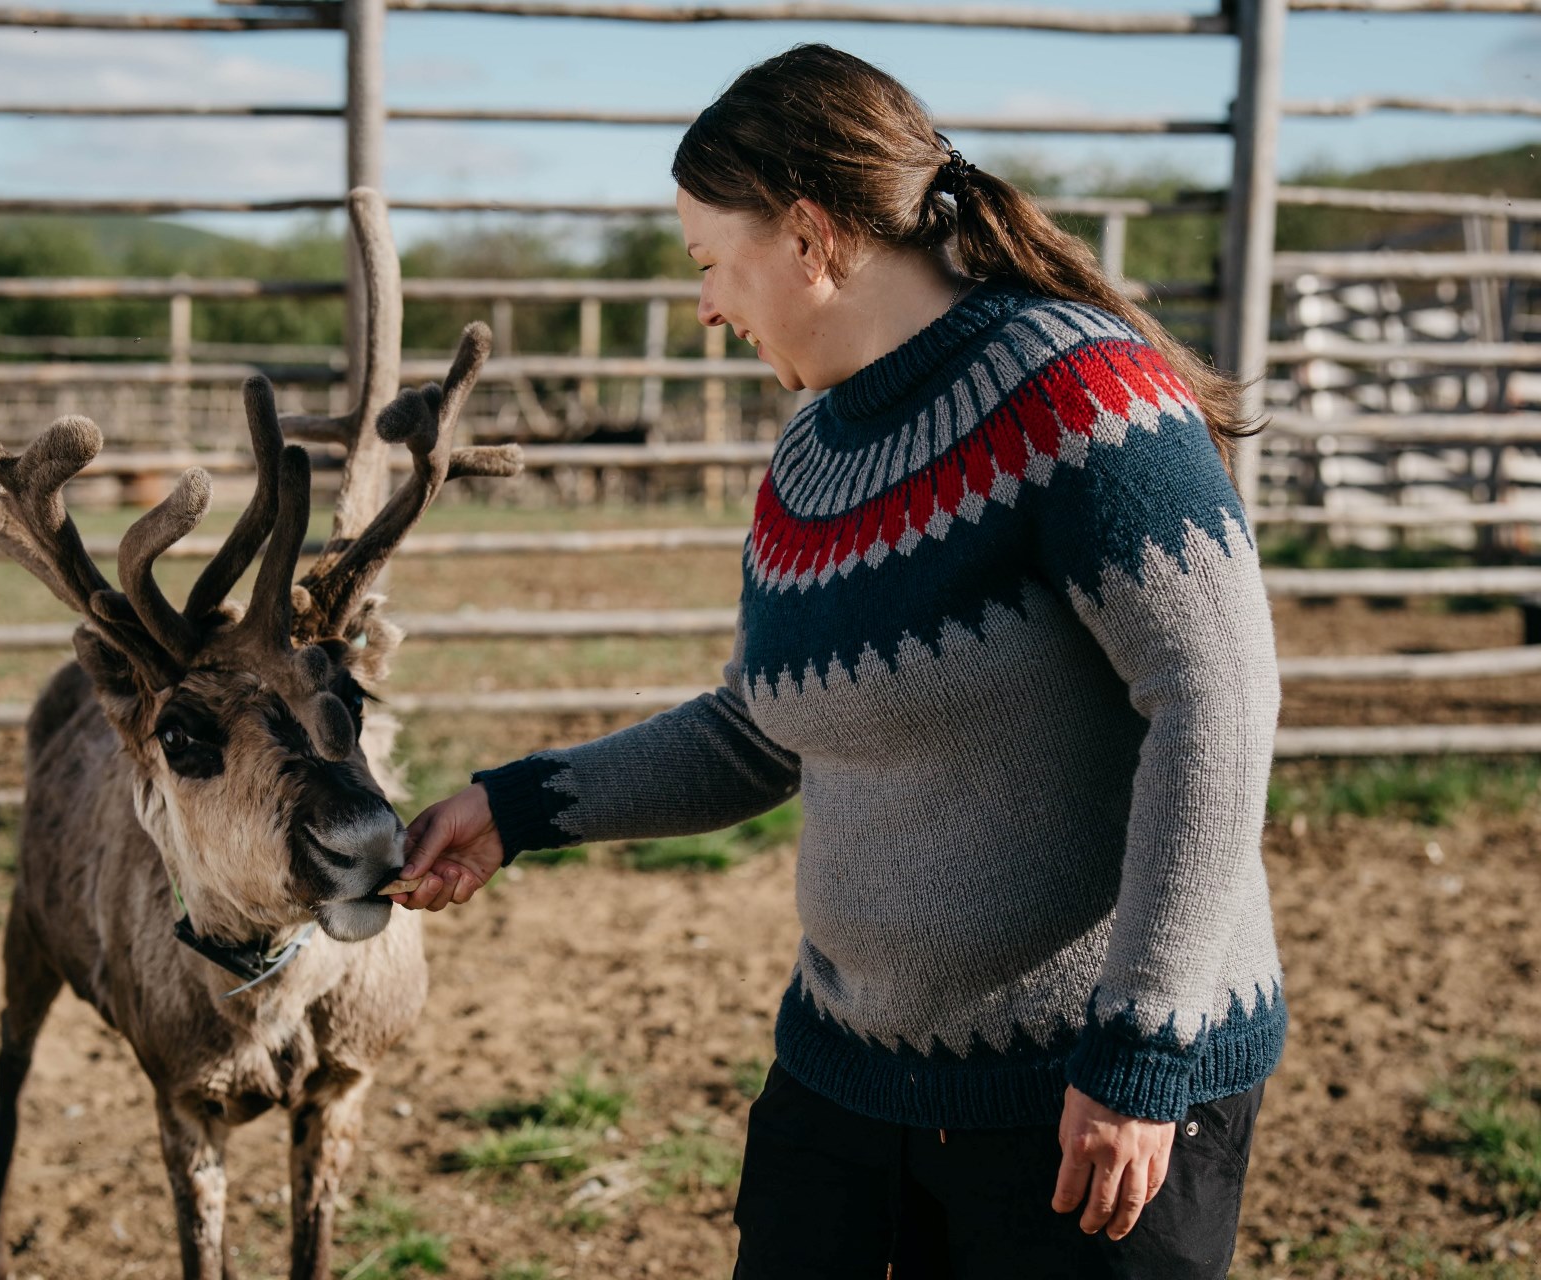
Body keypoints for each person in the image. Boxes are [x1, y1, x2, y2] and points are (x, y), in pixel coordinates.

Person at [389, 43, 1285, 1280]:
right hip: (848, 1071)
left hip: (1088, 1095)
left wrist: (1140, 1049)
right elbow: (760, 727)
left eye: (711, 261)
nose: (706, 307)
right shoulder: (812, 455)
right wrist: (514, 806)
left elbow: (1218, 702)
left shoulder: (1084, 399)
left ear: (809, 236)